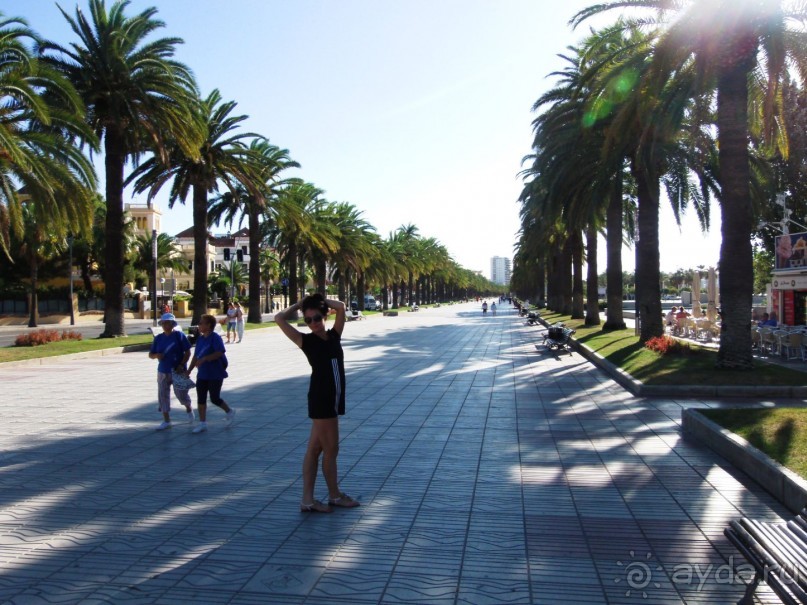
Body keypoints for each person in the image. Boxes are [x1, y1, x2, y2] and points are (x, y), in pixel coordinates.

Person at [275, 293, 360, 513]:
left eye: (316, 318)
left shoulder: (334, 335)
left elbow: (341, 307)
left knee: (314, 451)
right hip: (322, 401)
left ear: (324, 316)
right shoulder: (306, 341)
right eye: (308, 320)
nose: (313, 324)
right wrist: (299, 304)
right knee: (331, 450)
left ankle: (307, 501)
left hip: (332, 399)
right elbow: (279, 318)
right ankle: (334, 495)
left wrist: (320, 300)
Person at [187, 314, 236, 434]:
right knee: (201, 398)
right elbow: (195, 356)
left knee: (214, 398)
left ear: (208, 325)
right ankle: (202, 423)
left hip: (215, 373)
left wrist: (205, 359)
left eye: (201, 323)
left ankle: (229, 411)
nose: (199, 325)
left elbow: (220, 352)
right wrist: (189, 370)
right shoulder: (200, 339)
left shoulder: (215, 338)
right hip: (202, 374)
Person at [148, 312, 194, 430]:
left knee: (181, 394)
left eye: (168, 323)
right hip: (163, 370)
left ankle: (188, 407)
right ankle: (166, 420)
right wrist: (156, 355)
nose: (166, 325)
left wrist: (181, 364)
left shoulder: (179, 336)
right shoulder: (158, 338)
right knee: (163, 395)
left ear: (173, 324)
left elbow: (188, 352)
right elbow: (151, 354)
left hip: (178, 370)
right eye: (164, 323)